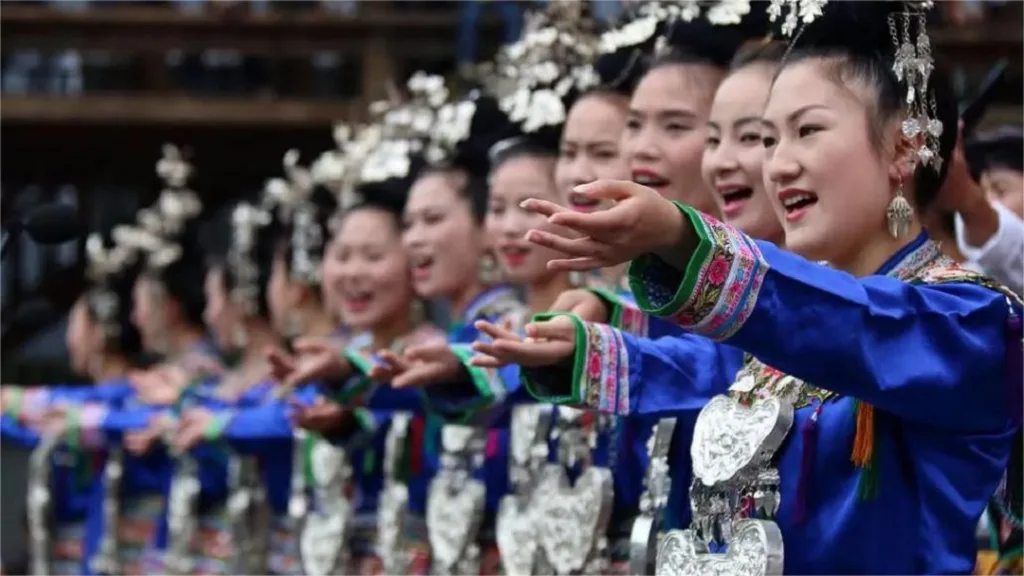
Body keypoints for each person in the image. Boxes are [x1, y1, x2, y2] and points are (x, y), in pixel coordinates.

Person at [476, 1, 1022, 572]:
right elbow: (703, 370)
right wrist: (582, 352)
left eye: (807, 130)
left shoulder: (969, 320)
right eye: (769, 139)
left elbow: (853, 325)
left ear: (904, 147)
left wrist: (680, 238)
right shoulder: (791, 330)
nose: (778, 165)